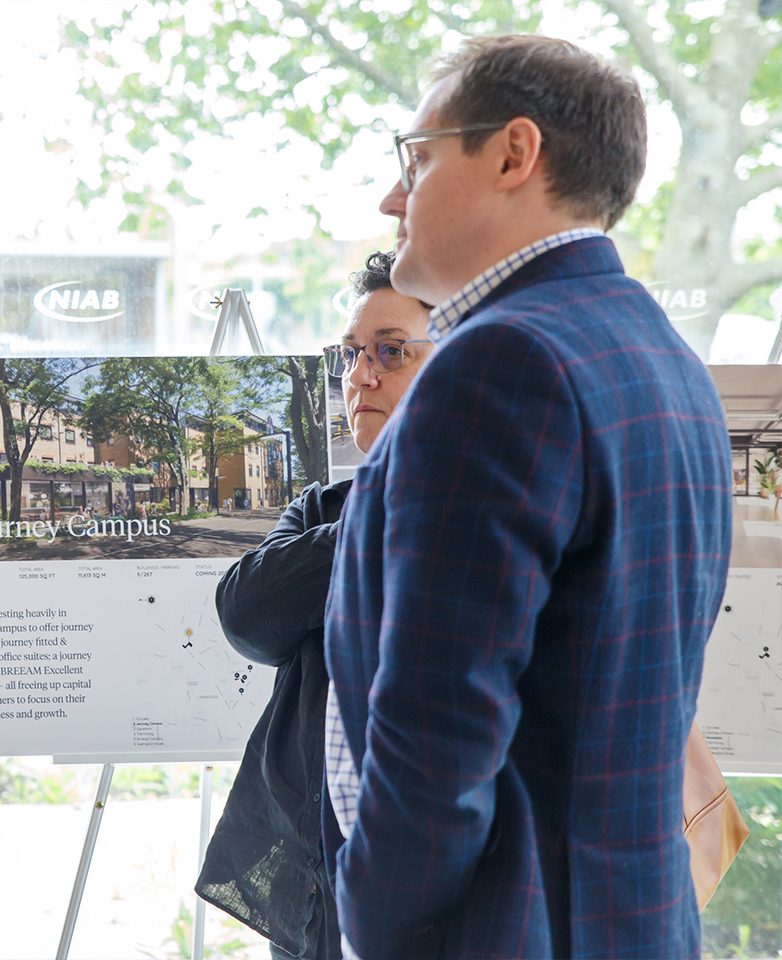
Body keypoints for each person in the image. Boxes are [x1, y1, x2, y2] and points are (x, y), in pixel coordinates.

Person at [325, 35, 731, 959]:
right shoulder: (662, 355)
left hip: (504, 929)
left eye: (417, 160)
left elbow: (438, 731)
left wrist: (374, 921)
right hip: (634, 919)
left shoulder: (501, 363)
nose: (394, 198)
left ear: (514, 154)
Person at [196, 251, 433, 960]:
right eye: (351, 353)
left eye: (390, 351)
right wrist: (396, 502)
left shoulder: (504, 509)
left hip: (446, 883)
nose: (360, 375)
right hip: (317, 883)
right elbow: (246, 615)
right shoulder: (325, 508)